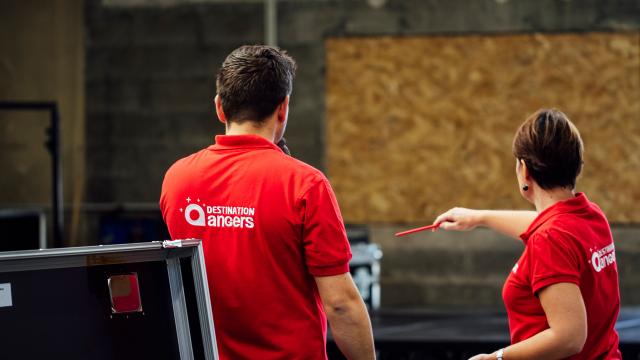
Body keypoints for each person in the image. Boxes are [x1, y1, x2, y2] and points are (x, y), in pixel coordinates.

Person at [160, 45, 375, 360]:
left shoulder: (177, 179)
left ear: (220, 107)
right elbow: (340, 304)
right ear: (283, 108)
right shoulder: (306, 185)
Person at [434, 109, 621, 360]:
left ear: (524, 170)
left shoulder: (550, 239)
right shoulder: (590, 216)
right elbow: (545, 224)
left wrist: (495, 358)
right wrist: (479, 217)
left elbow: (570, 338)